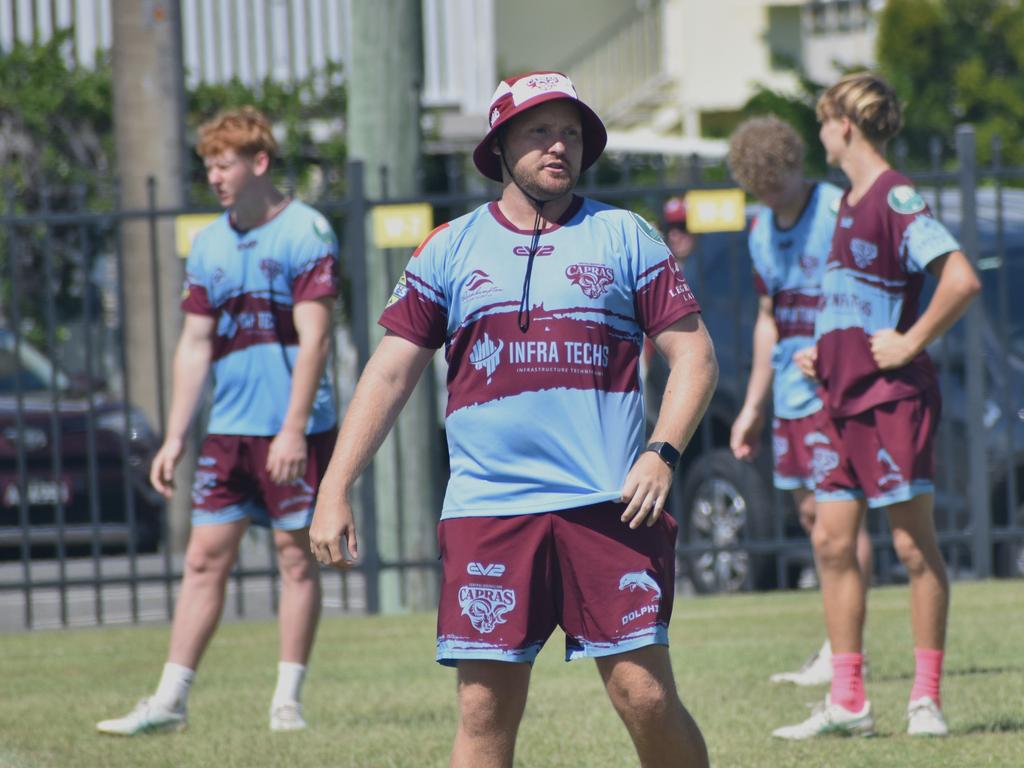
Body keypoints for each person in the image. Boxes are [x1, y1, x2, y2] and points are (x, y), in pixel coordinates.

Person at [309, 71, 717, 767]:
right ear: (500, 145)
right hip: (490, 511)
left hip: (609, 508)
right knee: (482, 711)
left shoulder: (625, 235)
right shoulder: (448, 248)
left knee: (644, 695)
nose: (560, 146)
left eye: (572, 133)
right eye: (540, 131)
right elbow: (388, 371)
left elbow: (696, 357)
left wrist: (662, 452)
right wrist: (334, 486)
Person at [97, 107, 340, 736]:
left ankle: (287, 702)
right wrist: (175, 435)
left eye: (224, 163)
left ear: (258, 163)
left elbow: (315, 341)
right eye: (207, 164)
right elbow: (194, 344)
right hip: (229, 431)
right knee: (205, 557)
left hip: (296, 428)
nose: (214, 176)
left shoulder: (306, 231)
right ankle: (170, 699)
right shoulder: (207, 244)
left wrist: (291, 427)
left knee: (294, 556)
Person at [772, 73, 980, 739]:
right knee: (832, 541)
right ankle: (849, 702)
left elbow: (960, 277)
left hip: (892, 401)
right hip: (836, 398)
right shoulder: (847, 203)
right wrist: (822, 353)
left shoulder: (895, 196)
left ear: (845, 126)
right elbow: (853, 307)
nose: (820, 133)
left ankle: (925, 701)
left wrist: (911, 341)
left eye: (823, 121)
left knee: (912, 547)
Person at [725, 116, 873, 687]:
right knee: (812, 516)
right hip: (789, 392)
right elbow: (769, 321)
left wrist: (844, 353)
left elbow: (869, 291)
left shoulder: (838, 210)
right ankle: (835, 639)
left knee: (839, 517)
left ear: (796, 167)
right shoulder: (760, 228)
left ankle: (845, 653)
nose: (771, 197)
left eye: (779, 185)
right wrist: (753, 406)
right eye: (761, 190)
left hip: (837, 389)